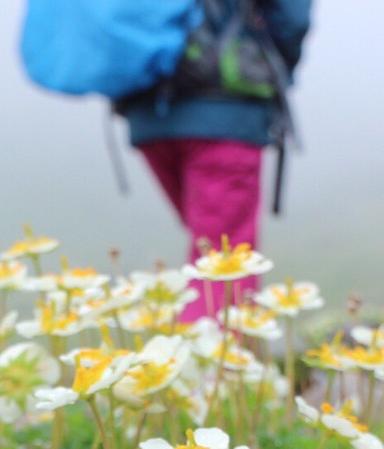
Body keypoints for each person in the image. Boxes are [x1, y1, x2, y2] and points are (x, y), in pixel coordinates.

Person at [114, 0, 312, 321]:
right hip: (225, 111)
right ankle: (213, 366)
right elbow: (293, 16)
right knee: (224, 258)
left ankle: (205, 349)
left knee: (207, 244)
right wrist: (270, 64)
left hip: (147, 112)